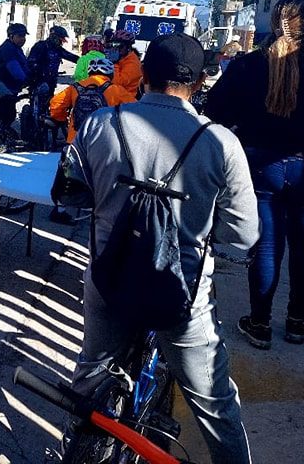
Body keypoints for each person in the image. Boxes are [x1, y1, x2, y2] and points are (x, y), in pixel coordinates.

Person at [62, 33, 258, 464]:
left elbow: (70, 193)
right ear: (202, 81)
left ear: (143, 74)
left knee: (92, 371)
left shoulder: (101, 124)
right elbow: (243, 234)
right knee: (215, 403)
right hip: (181, 294)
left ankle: (76, 439)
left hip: (108, 279)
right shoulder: (220, 142)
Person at [205, 0, 304, 349]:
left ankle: (259, 324)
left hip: (260, 166)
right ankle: (298, 322)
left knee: (267, 247)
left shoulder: (248, 65)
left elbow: (216, 112)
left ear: (274, 25)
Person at [49, 56, 134, 144]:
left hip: (75, 140)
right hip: (104, 141)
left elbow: (56, 103)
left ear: (89, 72)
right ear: (110, 74)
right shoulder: (116, 90)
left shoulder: (75, 87)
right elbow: (135, 109)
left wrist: (61, 118)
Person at [0, 22, 30, 128]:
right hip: (3, 88)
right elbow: (15, 69)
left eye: (24, 36)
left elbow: (25, 66)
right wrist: (27, 80)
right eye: (20, 36)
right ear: (11, 36)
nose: (23, 39)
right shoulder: (8, 49)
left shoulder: (16, 48)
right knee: (6, 115)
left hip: (10, 87)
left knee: (9, 115)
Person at [27, 25, 79, 102]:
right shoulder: (40, 46)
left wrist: (86, 60)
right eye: (60, 40)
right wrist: (38, 70)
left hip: (51, 81)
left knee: (49, 103)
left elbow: (71, 57)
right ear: (54, 37)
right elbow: (30, 62)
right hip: (38, 80)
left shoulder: (58, 49)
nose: (62, 43)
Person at [106, 29, 142, 97]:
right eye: (114, 45)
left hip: (127, 100)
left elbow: (117, 83)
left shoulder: (133, 63)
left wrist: (114, 63)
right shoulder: (122, 59)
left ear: (128, 47)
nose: (117, 49)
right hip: (116, 97)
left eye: (120, 46)